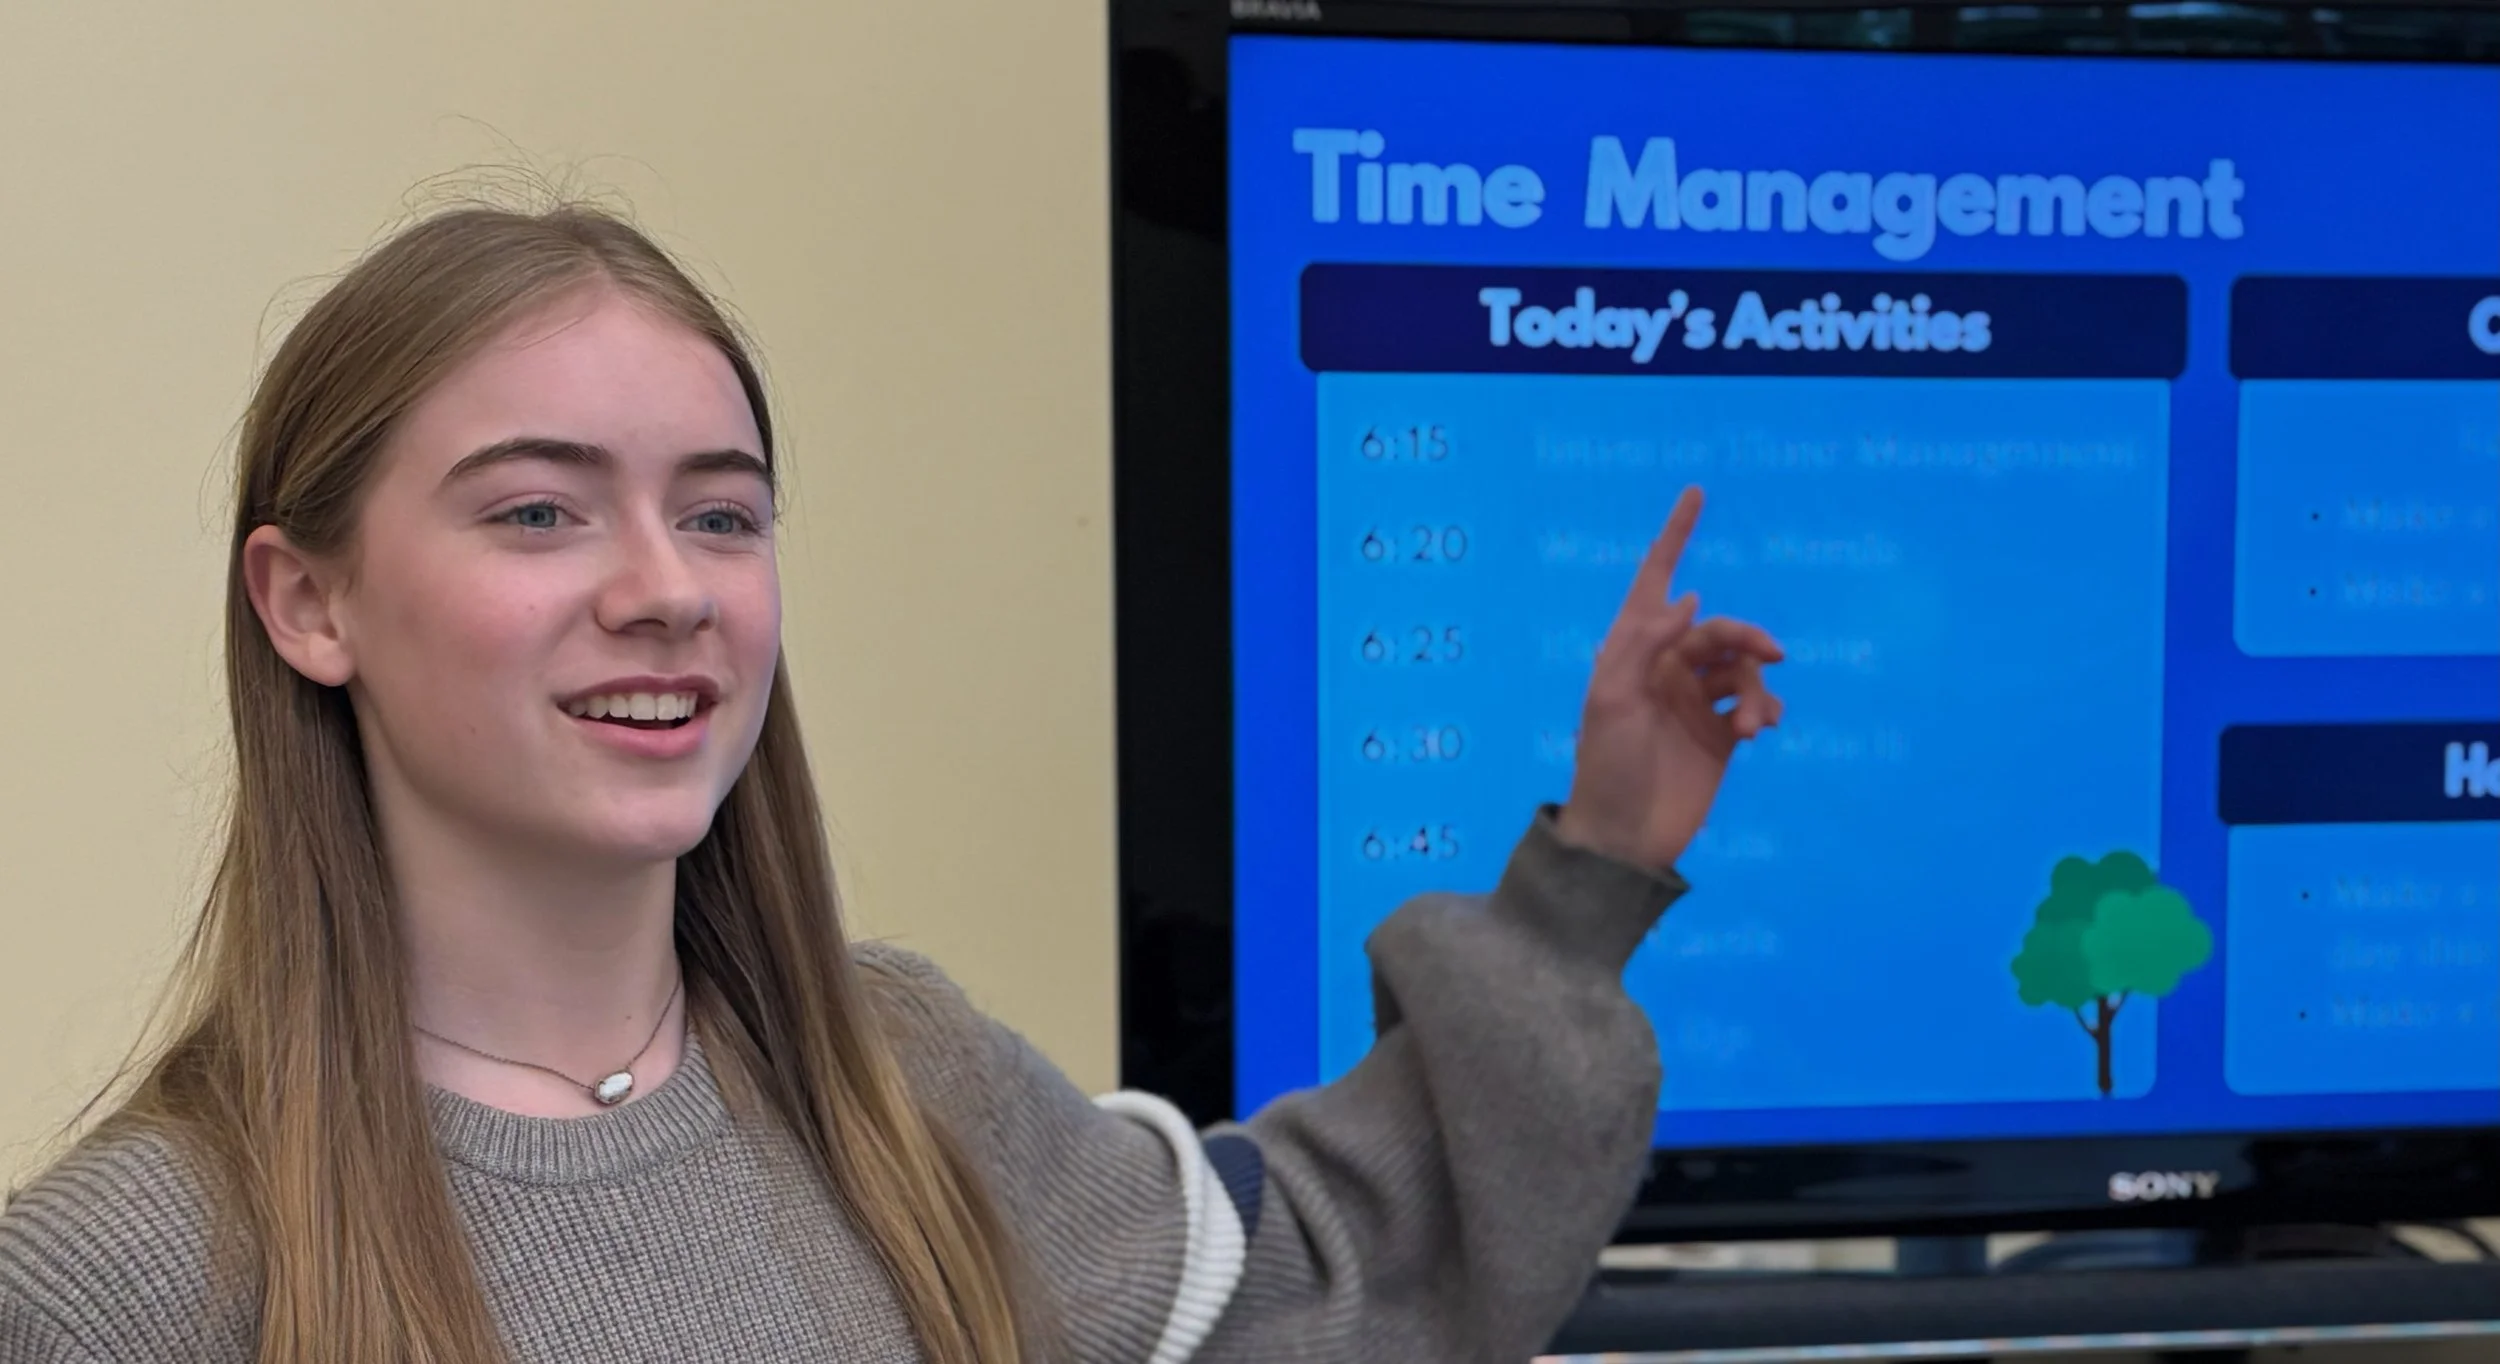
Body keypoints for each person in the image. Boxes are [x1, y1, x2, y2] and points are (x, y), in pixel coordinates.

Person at [0, 205, 1784, 1364]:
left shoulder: (905, 1085)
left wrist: (1599, 863)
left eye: (720, 511)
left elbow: (1345, 1276)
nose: (666, 586)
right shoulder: (129, 1279)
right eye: (538, 510)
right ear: (308, 602)